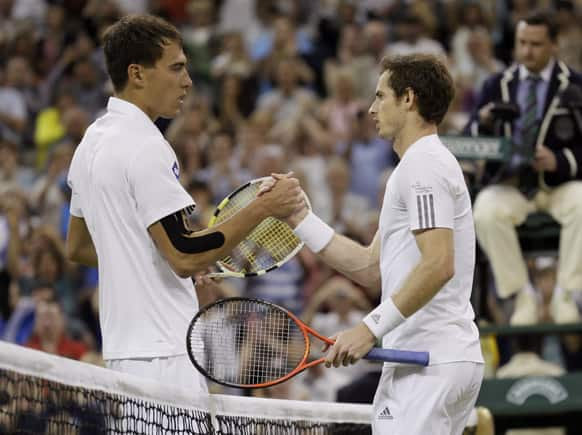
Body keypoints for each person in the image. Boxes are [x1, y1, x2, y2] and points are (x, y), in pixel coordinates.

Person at [65, 15, 303, 393]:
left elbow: (78, 247)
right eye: (176, 68)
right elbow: (185, 255)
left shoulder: (90, 141)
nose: (188, 81)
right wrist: (262, 208)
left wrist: (155, 258)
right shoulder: (146, 146)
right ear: (137, 74)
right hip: (167, 357)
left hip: (122, 355)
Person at [272, 54, 484, 434]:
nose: (371, 109)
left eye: (380, 96)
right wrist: (300, 219)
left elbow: (439, 264)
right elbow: (371, 267)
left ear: (409, 99)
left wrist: (368, 329)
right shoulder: (416, 166)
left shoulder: (424, 164)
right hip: (425, 359)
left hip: (430, 360)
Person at [465, 11, 582, 325]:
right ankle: (521, 294)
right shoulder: (496, 85)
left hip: (559, 184)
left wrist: (559, 160)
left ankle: (567, 293)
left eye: (536, 44)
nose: (527, 51)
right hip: (512, 183)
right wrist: (484, 121)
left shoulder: (575, 85)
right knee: (485, 211)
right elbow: (468, 138)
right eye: (522, 43)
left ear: (554, 45)